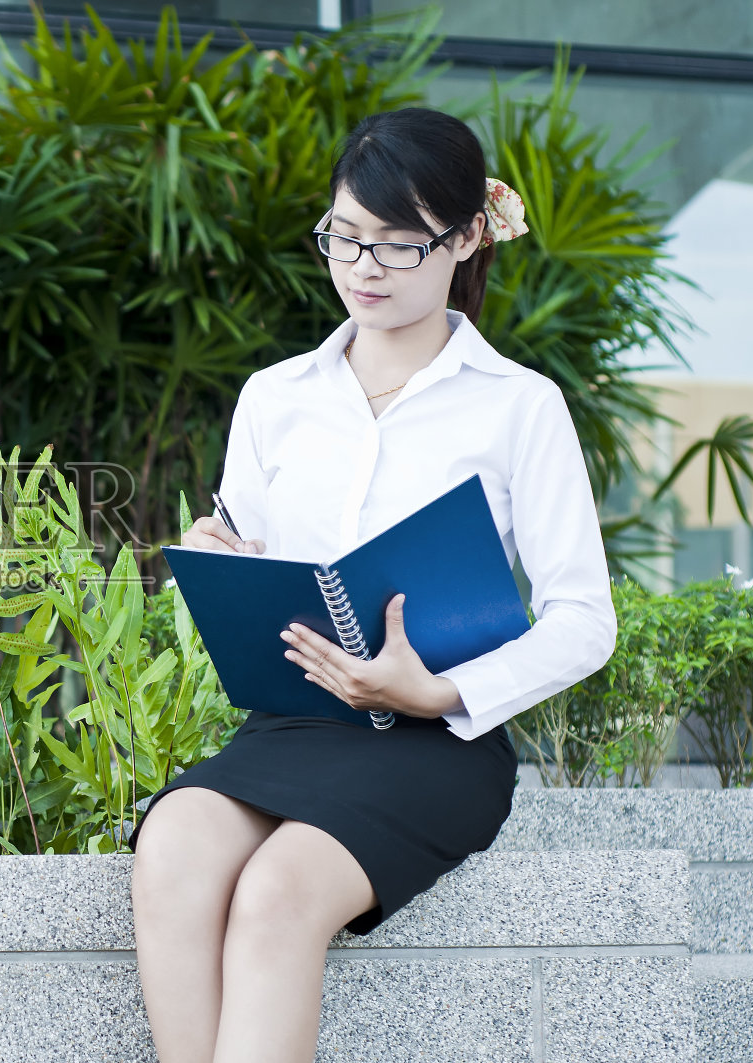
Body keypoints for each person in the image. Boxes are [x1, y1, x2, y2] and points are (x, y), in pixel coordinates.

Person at [126, 107, 617, 1063]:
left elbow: (585, 620)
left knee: (276, 894)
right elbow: (254, 561)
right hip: (294, 725)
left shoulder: (521, 406)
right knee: (173, 843)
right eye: (346, 237)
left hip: (435, 739)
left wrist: (439, 689)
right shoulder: (277, 396)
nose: (365, 268)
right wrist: (223, 562)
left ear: (467, 236)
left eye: (400, 245)